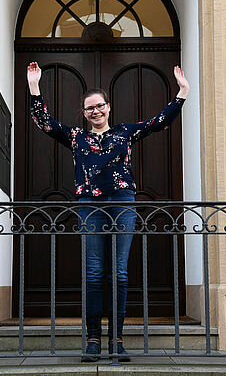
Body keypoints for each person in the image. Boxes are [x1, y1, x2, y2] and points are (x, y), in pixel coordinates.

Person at [26, 62, 189, 362]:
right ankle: (92, 341)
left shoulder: (125, 133)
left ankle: (117, 340)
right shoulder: (77, 137)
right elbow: (44, 122)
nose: (95, 111)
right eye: (89, 108)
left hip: (123, 203)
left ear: (108, 107)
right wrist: (34, 86)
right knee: (95, 273)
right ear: (85, 113)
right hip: (90, 206)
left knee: (120, 273)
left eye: (99, 106)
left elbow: (159, 123)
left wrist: (182, 93)